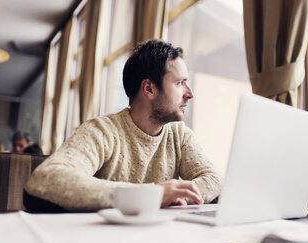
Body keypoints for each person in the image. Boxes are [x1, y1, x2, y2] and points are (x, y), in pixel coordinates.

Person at [25, 39, 222, 212]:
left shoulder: (179, 135)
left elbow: (214, 180)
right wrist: (152, 195)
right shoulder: (101, 130)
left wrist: (172, 196)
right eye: (180, 83)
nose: (190, 93)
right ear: (149, 88)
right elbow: (46, 178)